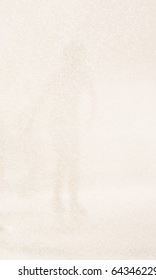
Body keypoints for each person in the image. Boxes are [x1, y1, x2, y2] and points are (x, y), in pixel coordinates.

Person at [27, 41, 97, 213]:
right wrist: (31, 119)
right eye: (75, 55)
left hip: (70, 121)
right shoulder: (61, 75)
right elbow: (42, 98)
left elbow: (94, 97)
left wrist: (92, 117)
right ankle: (60, 198)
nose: (78, 59)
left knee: (72, 160)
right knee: (65, 159)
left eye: (79, 55)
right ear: (68, 57)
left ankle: (70, 199)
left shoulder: (80, 75)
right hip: (58, 122)